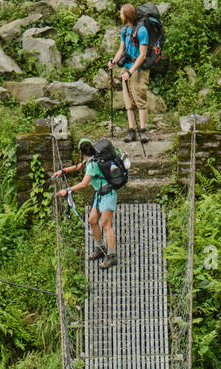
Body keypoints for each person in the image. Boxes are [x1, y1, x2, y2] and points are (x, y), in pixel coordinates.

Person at [52, 138, 118, 269]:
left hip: (108, 195)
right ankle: (100, 248)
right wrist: (63, 171)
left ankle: (111, 256)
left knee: (106, 225)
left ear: (81, 152)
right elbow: (78, 166)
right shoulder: (90, 159)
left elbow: (84, 184)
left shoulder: (92, 165)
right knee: (93, 220)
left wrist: (68, 190)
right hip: (100, 195)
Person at [109, 4, 151, 145]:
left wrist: (130, 71)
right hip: (126, 70)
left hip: (138, 71)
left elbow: (143, 55)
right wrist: (113, 61)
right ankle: (131, 130)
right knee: (128, 102)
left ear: (127, 16)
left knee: (140, 100)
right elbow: (121, 49)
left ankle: (143, 131)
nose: (120, 16)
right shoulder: (125, 30)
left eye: (121, 14)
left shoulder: (142, 30)